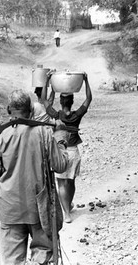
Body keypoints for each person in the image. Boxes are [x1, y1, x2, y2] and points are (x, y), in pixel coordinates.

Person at [0, 90, 69, 265]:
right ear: (31, 109)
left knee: (12, 262)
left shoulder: (0, 137)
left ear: (9, 109)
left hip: (9, 210)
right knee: (43, 258)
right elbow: (61, 165)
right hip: (39, 209)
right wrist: (61, 140)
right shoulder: (44, 133)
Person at [42, 72, 92, 223]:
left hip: (61, 151)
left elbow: (44, 100)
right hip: (74, 152)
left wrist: (47, 80)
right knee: (71, 182)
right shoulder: (77, 115)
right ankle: (68, 206)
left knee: (61, 183)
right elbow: (89, 99)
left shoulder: (57, 116)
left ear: (61, 101)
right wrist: (86, 80)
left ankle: (67, 214)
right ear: (72, 101)